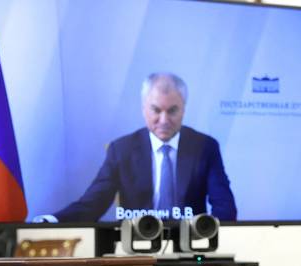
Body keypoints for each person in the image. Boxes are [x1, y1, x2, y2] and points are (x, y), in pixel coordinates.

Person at [37, 73, 237, 223]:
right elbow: (94, 203)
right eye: (156, 110)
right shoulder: (121, 150)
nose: (164, 120)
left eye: (172, 111)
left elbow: (224, 206)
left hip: (190, 245)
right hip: (136, 245)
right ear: (144, 109)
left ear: (184, 109)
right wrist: (53, 221)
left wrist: (211, 238)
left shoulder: (205, 147)